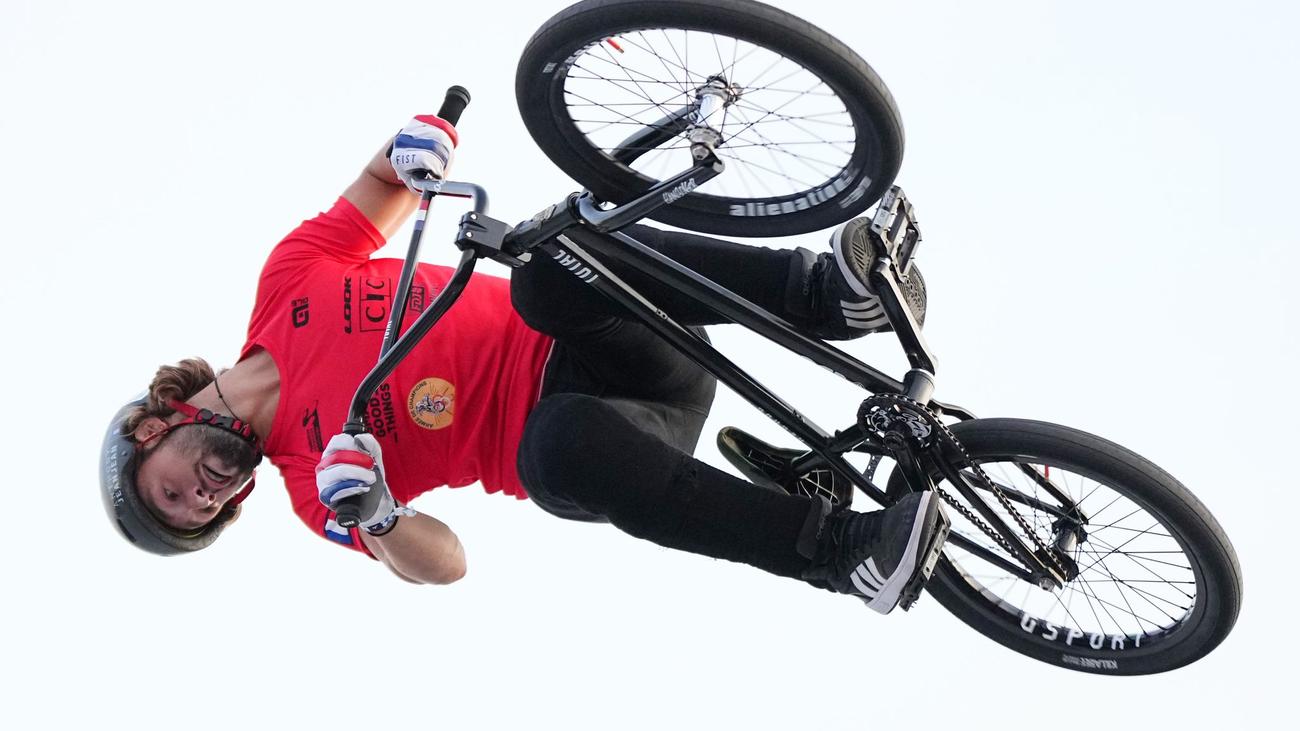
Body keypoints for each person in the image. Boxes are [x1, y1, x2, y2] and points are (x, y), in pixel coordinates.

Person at [99, 112, 947, 613]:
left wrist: (413, 146)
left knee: (547, 263)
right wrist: (383, 516)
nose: (204, 500)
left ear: (153, 427)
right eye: (201, 515)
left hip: (620, 334)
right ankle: (843, 552)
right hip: (610, 436)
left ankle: (831, 295)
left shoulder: (287, 282)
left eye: (173, 493)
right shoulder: (313, 484)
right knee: (555, 443)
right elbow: (445, 562)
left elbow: (383, 181)